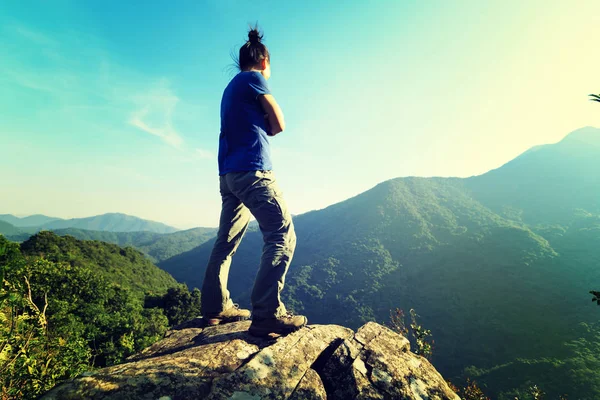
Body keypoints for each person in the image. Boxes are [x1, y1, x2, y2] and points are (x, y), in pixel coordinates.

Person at [200, 26, 307, 337]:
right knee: (281, 233)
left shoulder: (231, 87)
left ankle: (215, 306)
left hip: (228, 174)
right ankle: (267, 313)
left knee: (226, 241)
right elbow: (279, 123)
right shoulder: (254, 79)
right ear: (264, 61)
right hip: (253, 170)